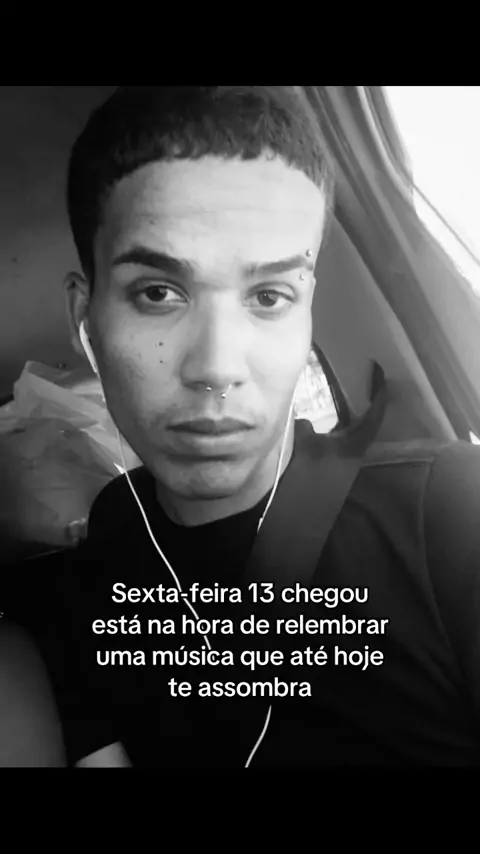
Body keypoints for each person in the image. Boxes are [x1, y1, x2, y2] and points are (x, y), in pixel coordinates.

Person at [5, 85, 480, 767]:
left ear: (307, 314)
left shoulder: (454, 514)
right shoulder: (112, 535)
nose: (216, 368)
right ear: (87, 321)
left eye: (269, 296)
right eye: (158, 293)